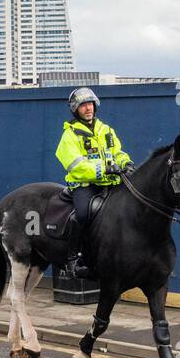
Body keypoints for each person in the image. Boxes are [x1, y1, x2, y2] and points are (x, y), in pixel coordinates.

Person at [56, 87, 134, 278]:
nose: (88, 108)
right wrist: (104, 169)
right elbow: (76, 165)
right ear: (76, 109)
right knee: (82, 215)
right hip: (84, 185)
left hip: (111, 183)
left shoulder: (106, 130)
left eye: (90, 104)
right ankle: (72, 261)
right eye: (83, 105)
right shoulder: (70, 135)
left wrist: (126, 163)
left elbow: (118, 152)